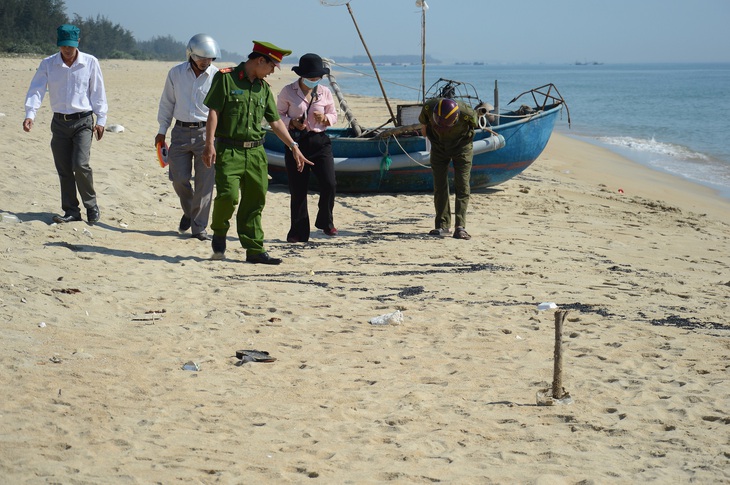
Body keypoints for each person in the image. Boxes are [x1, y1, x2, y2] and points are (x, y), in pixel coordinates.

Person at [202, 41, 312, 264]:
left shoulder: (262, 88)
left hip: (255, 153)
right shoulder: (225, 78)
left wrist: (294, 147)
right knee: (228, 197)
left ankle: (254, 250)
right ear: (260, 61)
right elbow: (214, 111)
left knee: (255, 201)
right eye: (271, 67)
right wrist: (209, 143)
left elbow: (275, 122)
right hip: (229, 150)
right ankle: (220, 231)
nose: (272, 72)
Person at [23, 24, 108, 224]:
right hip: (59, 122)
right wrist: (30, 114)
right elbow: (36, 89)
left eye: (70, 46)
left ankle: (91, 205)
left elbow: (98, 92)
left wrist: (101, 119)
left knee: (80, 164)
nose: (67, 50)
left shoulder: (90, 62)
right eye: (63, 46)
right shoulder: (48, 64)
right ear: (58, 44)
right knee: (63, 168)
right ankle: (71, 211)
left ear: (77, 42)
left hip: (83, 121)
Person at [156, 34, 220, 241]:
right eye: (201, 58)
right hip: (180, 132)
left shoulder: (217, 76)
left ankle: (199, 228)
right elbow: (167, 102)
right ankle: (190, 211)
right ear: (190, 55)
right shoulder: (175, 73)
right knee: (179, 179)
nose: (205, 62)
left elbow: (219, 110)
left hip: (206, 134)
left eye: (209, 58)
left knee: (205, 183)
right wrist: (161, 130)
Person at [276, 53, 338, 243]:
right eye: (311, 78)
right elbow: (276, 117)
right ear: (302, 76)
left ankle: (325, 222)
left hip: (320, 141)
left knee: (329, 183)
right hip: (296, 143)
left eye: (317, 78)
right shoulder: (288, 91)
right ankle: (298, 231)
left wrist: (325, 119)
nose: (314, 81)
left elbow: (333, 114)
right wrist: (292, 122)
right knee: (298, 189)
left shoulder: (325, 92)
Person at [419, 97, 478, 240]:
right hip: (439, 147)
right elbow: (424, 129)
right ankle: (442, 226)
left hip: (461, 147)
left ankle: (460, 227)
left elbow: (475, 125)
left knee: (462, 185)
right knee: (439, 185)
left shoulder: (467, 113)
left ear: (456, 117)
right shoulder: (429, 107)